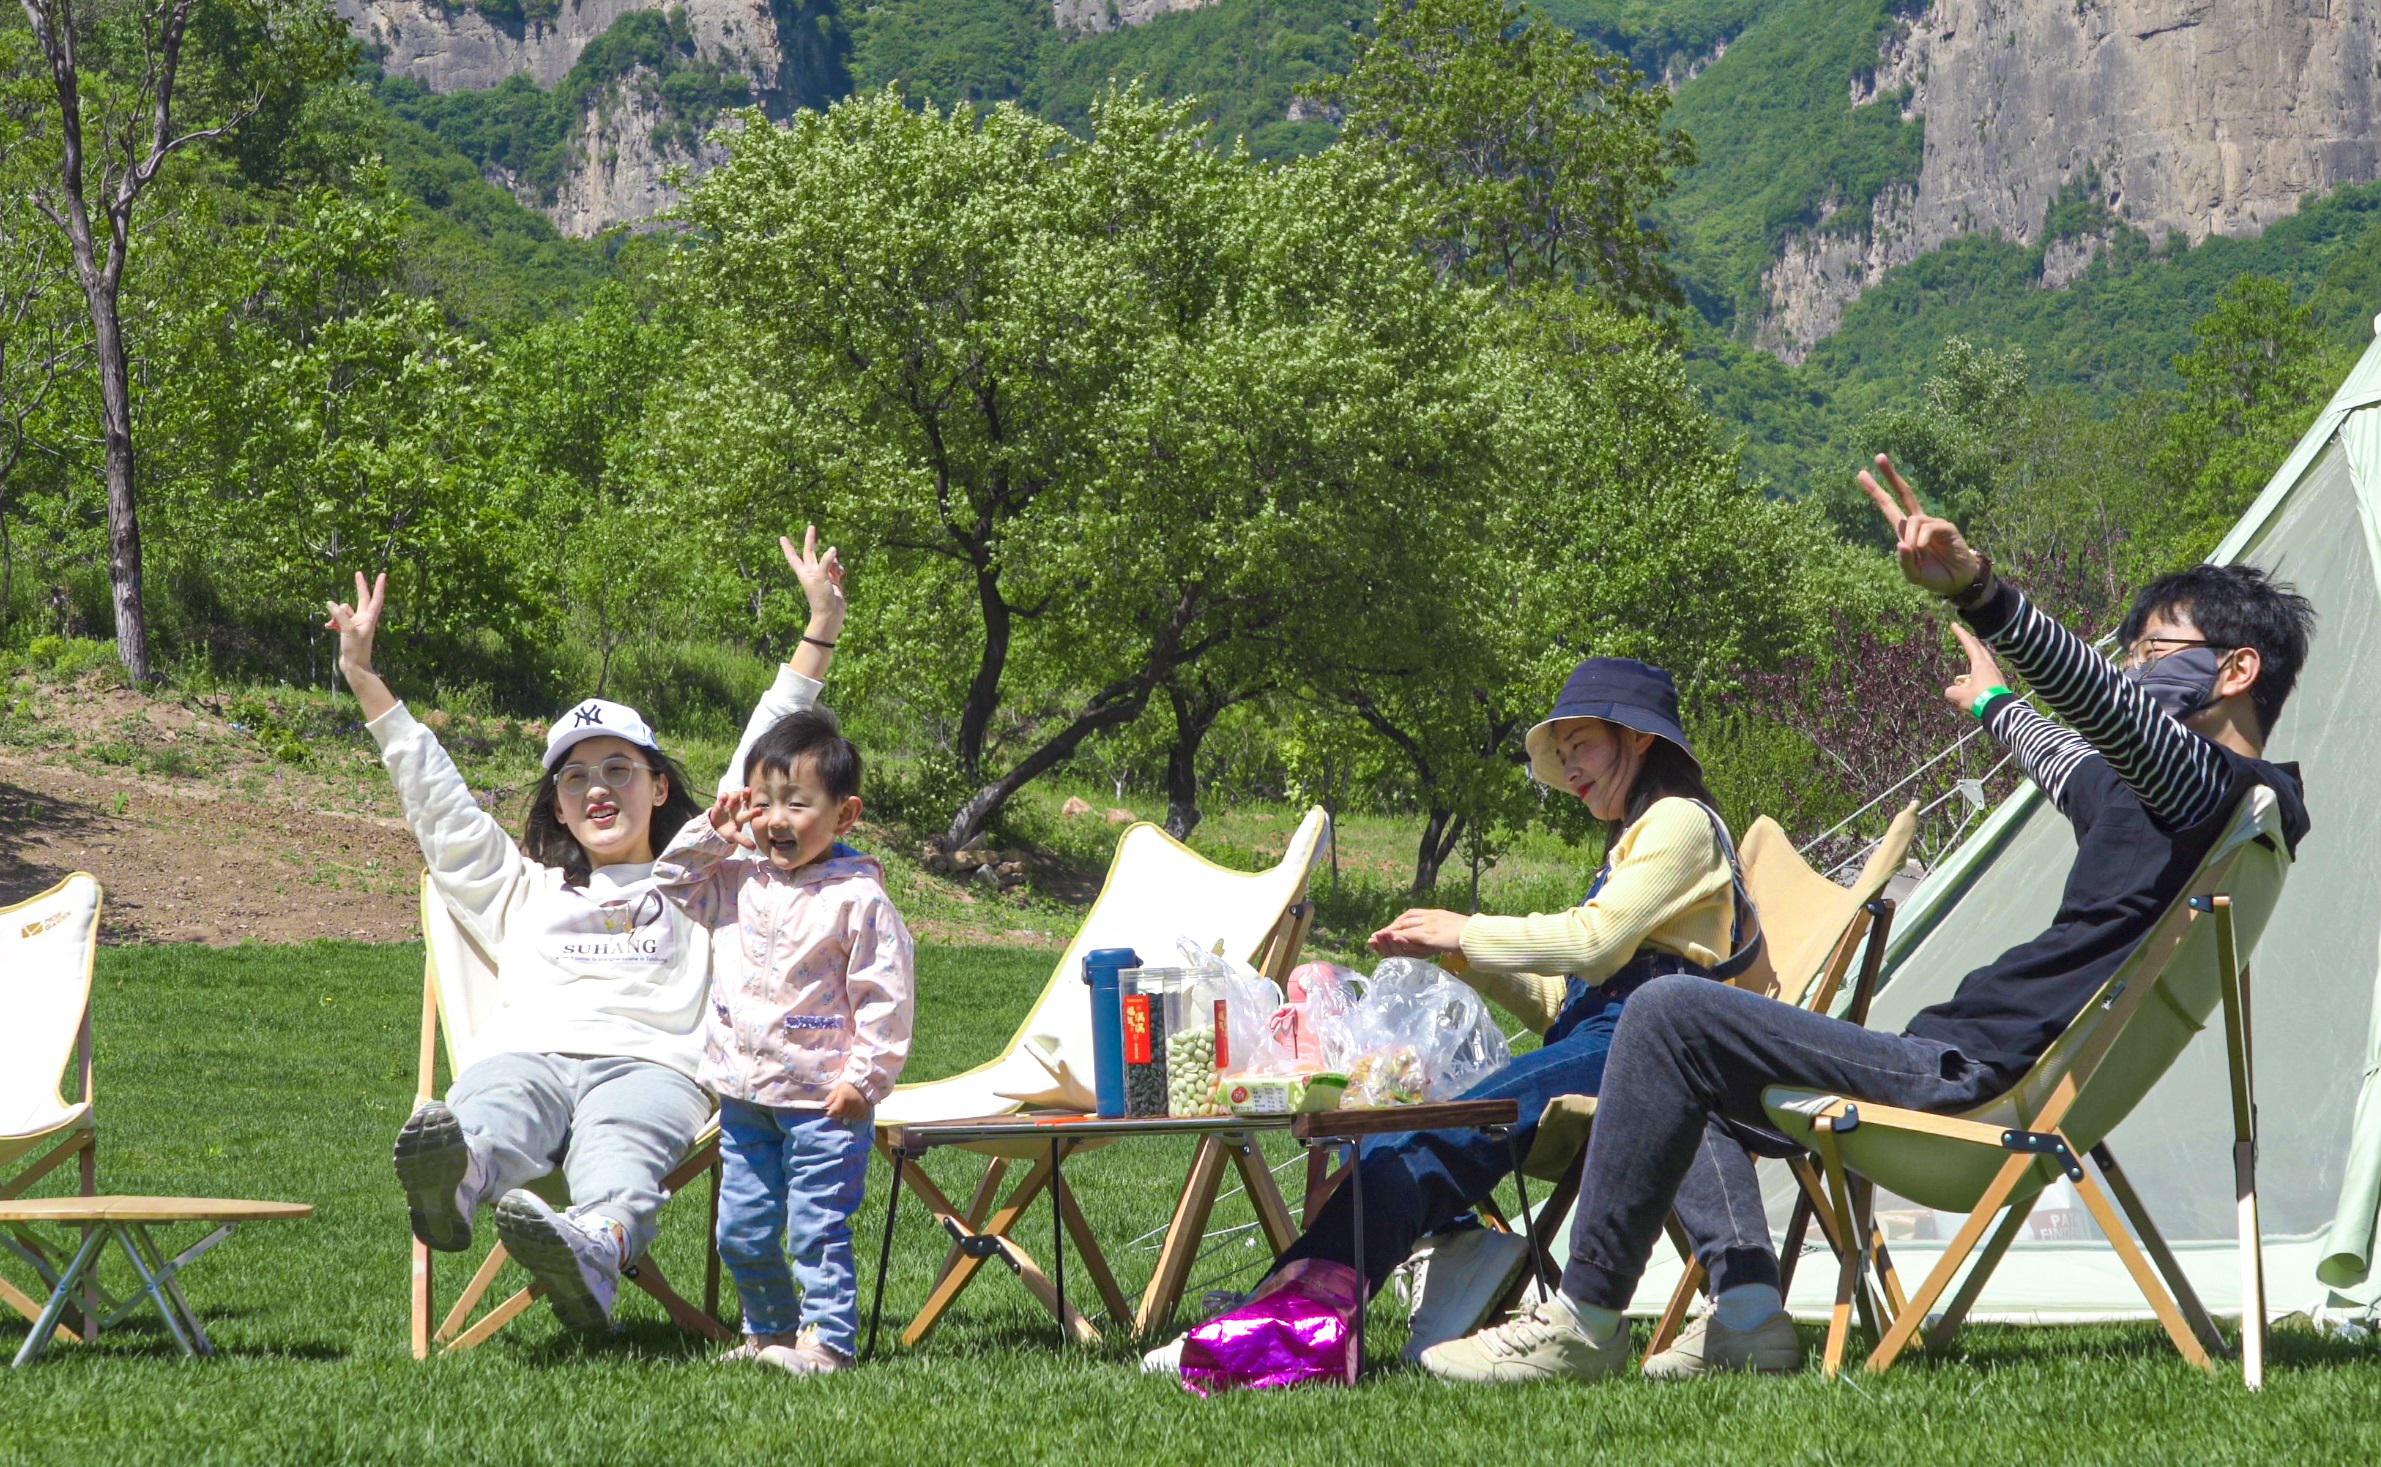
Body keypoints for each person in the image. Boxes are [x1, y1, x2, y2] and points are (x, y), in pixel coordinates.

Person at [1420, 454, 2315, 1385]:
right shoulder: (2181, 816)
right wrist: (1993, 704)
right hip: (1970, 1069)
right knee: (1674, 1050)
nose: (2131, 669)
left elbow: (2104, 711)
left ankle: (1583, 1319)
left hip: (1968, 1082)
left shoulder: (2209, 786)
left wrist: (1978, 590)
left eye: (2151, 652)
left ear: (2235, 668)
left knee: (1664, 1011)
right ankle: (1748, 1317)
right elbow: (2064, 757)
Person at [1144, 656, 1763, 1374]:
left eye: (1582, 746)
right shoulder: (1635, 839)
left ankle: (1281, 1325)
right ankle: (1411, 1261)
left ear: (1640, 738)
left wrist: (1466, 929)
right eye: (1561, 753)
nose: (1569, 767)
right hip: (1611, 1036)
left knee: (1425, 1138)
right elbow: (1566, 1000)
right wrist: (1462, 956)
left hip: (1645, 1044)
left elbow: (1592, 943)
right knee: (1401, 1116)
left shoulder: (1680, 820)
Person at [327, 529, 850, 1333]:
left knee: (622, 1141)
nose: (596, 789)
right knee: (491, 1106)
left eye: (617, 770)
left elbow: (761, 752)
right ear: (559, 805)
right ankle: (455, 1180)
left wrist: (820, 627)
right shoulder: (519, 887)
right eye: (575, 777)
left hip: (651, 1063)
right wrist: (365, 678)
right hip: (527, 1053)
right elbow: (437, 802)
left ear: (658, 785)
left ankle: (593, 1244)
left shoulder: (703, 872)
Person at [652, 709, 915, 1376]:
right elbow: (669, 881)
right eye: (762, 802)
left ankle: (827, 1345)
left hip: (824, 1100)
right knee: (739, 1230)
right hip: (745, 1097)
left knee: (816, 1227)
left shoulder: (858, 899)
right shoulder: (735, 881)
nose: (775, 819)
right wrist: (713, 831)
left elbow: (884, 997)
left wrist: (865, 1080)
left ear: (844, 815)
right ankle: (769, 1331)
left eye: (797, 804)